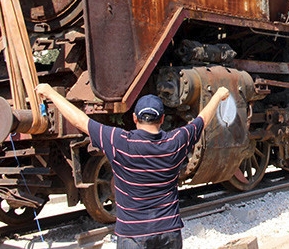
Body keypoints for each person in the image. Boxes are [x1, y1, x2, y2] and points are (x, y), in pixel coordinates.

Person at [35, 83, 230, 249]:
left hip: (133, 234)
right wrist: (219, 95)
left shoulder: (120, 142)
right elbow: (201, 120)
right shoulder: (175, 142)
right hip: (169, 231)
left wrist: (51, 93)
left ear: (135, 118)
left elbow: (81, 121)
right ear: (162, 119)